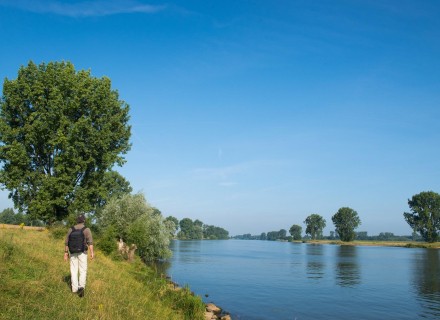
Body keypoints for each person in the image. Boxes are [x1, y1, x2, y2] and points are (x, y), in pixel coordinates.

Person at [64, 214, 94, 297]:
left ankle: (74, 289)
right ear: (84, 220)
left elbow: (66, 242)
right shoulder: (86, 229)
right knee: (82, 270)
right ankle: (81, 288)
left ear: (77, 221)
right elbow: (90, 242)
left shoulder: (71, 229)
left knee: (73, 270)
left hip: (72, 252)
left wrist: (66, 253)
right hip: (83, 253)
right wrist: (92, 253)